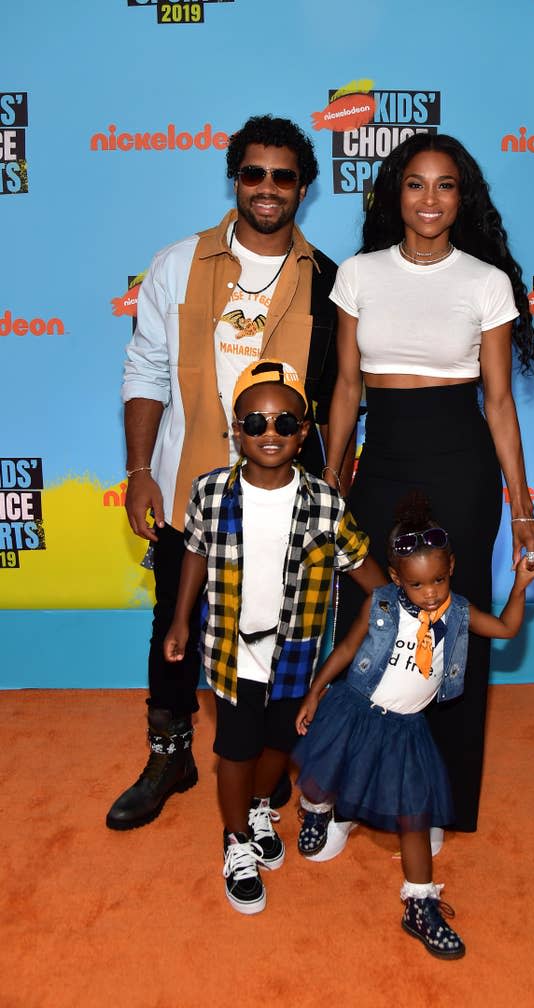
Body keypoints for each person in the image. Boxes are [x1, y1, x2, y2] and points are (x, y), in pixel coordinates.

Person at [108, 115, 348, 831]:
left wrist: (336, 477)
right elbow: (146, 367)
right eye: (253, 173)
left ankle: (267, 754)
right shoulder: (177, 264)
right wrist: (139, 469)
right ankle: (170, 754)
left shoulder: (328, 280)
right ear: (234, 178)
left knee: (277, 629)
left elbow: (339, 395)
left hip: (286, 497)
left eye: (282, 176)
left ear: (303, 188)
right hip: (190, 483)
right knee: (172, 627)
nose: (266, 189)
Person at [321, 132, 534, 834]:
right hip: (381, 459)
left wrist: (523, 511)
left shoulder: (486, 283)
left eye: (445, 185)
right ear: (396, 192)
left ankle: (438, 799)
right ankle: (345, 793)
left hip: (462, 466)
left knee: (452, 637)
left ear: (463, 197)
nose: (429, 198)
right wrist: (329, 486)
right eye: (415, 183)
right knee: (366, 629)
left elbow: (500, 405)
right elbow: (346, 391)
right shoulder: (358, 274)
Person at [162, 360, 385, 914]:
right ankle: (236, 839)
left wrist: (408, 606)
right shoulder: (210, 491)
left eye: (285, 423)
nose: (269, 434)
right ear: (235, 430)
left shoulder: (326, 505)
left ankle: (261, 806)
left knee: (279, 745)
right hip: (230, 650)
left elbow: (367, 572)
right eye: (255, 423)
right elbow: (193, 553)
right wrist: (180, 619)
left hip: (298, 654)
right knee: (235, 749)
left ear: (305, 433)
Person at [293, 494, 534, 958]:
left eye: (439, 579)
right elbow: (349, 649)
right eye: (417, 584)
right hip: (355, 711)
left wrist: (520, 586)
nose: (431, 591)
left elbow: (508, 630)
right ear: (396, 579)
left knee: (415, 816)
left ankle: (419, 902)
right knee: (325, 771)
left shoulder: (458, 613)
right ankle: (315, 808)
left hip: (405, 731)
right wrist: (315, 691)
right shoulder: (380, 605)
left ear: (451, 566)